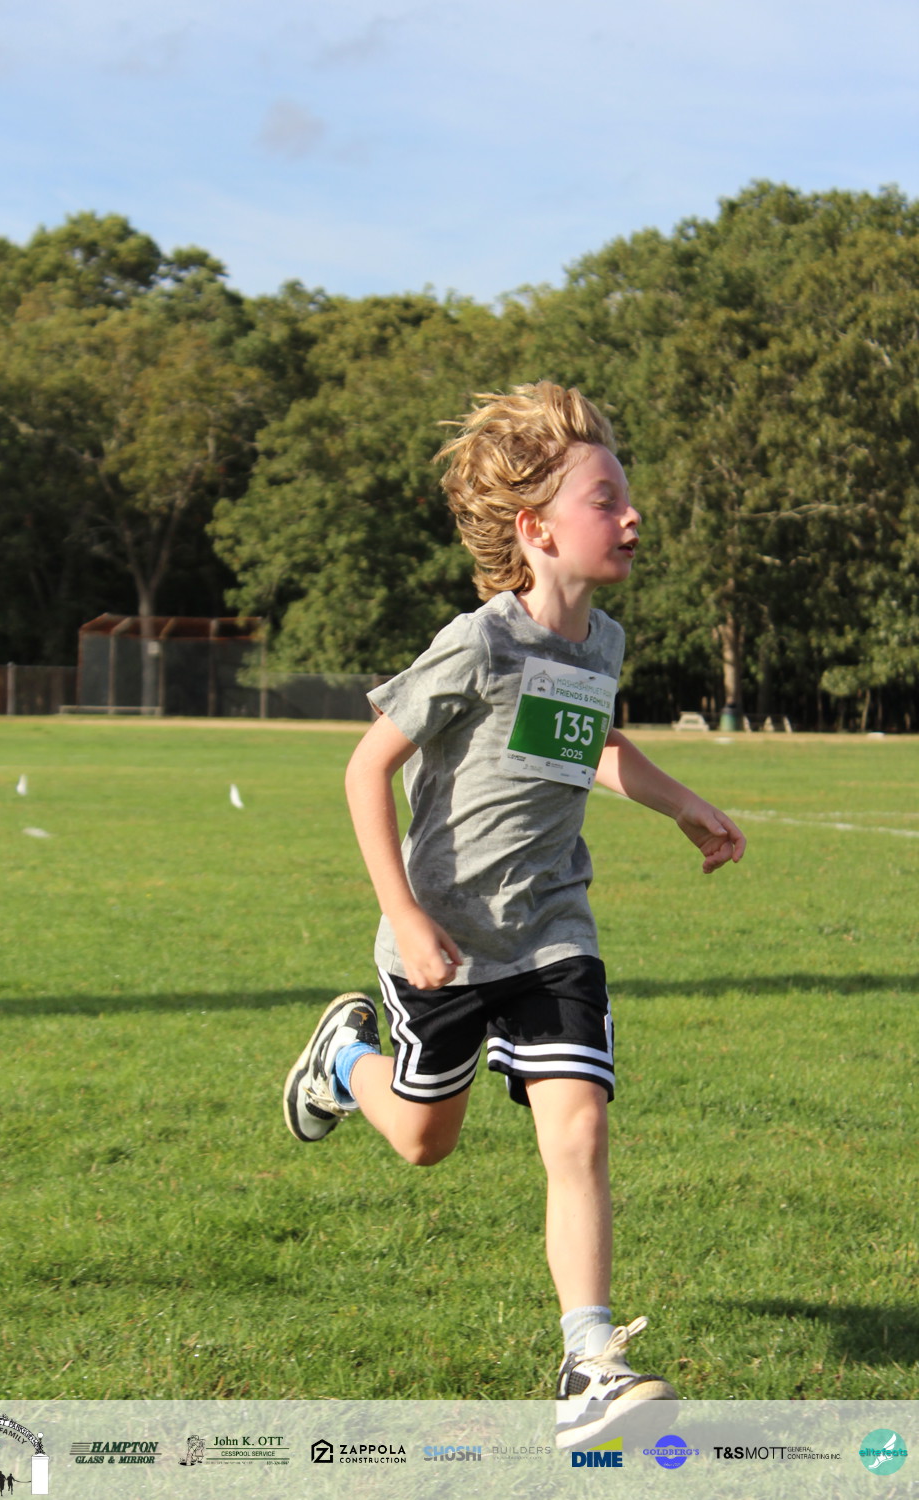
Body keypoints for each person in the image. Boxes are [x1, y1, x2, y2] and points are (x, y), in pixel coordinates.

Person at [283, 381, 746, 1446]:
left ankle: (589, 1363)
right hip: (442, 943)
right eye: (605, 500)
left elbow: (590, 745)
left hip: (549, 931)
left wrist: (682, 803)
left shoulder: (601, 642)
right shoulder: (478, 644)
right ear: (536, 530)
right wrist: (404, 915)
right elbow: (364, 770)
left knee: (578, 1127)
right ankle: (344, 1058)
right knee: (422, 1141)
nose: (630, 515)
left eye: (626, 497)